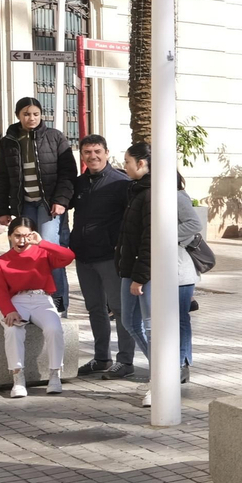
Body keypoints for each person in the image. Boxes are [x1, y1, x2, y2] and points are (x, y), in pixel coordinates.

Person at [116, 143, 201, 394]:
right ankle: (163, 368)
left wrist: (166, 238)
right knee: (133, 322)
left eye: (128, 161)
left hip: (171, 269)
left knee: (177, 319)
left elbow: (191, 225)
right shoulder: (137, 190)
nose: (124, 166)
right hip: (141, 265)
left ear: (142, 163)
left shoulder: (170, 193)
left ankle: (176, 367)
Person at [0, 98, 77, 315]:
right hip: (25, 203)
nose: (31, 118)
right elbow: (3, 176)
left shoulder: (55, 136)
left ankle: (59, 305)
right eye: (26, 114)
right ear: (18, 115)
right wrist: (2, 210)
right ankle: (28, 302)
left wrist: (61, 201)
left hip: (50, 205)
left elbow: (68, 173)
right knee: (27, 250)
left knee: (49, 249)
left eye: (36, 114)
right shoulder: (9, 141)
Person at [71, 135, 134, 377]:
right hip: (84, 257)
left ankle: (125, 361)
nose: (93, 156)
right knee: (95, 308)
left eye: (97, 151)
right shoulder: (79, 183)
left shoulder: (121, 182)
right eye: (87, 152)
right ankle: (101, 358)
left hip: (110, 257)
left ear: (107, 153)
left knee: (119, 309)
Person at [0, 218, 74, 398]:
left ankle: (55, 375)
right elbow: (0, 291)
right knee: (13, 330)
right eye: (17, 236)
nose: (21, 240)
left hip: (41, 299)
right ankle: (18, 377)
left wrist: (42, 243)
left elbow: (68, 256)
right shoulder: (0, 262)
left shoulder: (42, 253)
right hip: (16, 301)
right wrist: (9, 311)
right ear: (10, 236)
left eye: (26, 236)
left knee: (54, 329)